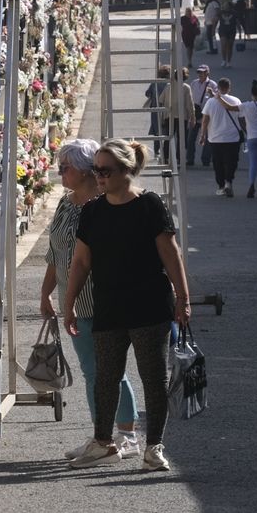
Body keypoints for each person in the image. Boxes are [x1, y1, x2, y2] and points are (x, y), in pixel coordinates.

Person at [65, 139, 192, 471]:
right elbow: (81, 262)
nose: (99, 176)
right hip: (109, 305)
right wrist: (69, 302)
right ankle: (103, 443)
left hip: (150, 305)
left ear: (127, 170)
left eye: (105, 171)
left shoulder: (149, 205)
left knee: (153, 378)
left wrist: (183, 298)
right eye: (96, 170)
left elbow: (171, 254)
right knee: (106, 377)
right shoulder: (92, 211)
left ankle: (153, 447)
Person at [40, 139, 140, 460]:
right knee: (92, 370)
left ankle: (125, 435)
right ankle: (103, 436)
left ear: (85, 171)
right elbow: (56, 253)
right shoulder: (65, 203)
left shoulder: (105, 204)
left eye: (65, 167)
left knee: (110, 370)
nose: (60, 173)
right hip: (74, 300)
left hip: (104, 297)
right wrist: (45, 292)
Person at [198, 77, 244, 197]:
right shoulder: (236, 100)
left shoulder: (210, 102)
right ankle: (229, 181)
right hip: (233, 138)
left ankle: (221, 186)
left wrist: (202, 135)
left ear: (218, 87)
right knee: (231, 161)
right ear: (229, 88)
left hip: (215, 138)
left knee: (218, 163)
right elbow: (241, 119)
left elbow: (205, 120)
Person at [187, 65, 217, 168]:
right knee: (191, 138)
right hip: (195, 115)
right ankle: (190, 159)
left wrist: (212, 93)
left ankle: (206, 160)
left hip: (207, 115)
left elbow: (218, 99)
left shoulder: (213, 84)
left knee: (208, 139)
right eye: (199, 72)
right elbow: (189, 97)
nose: (200, 74)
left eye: (202, 72)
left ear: (207, 73)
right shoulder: (194, 83)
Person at [166, 69, 196, 168]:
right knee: (181, 138)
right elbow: (189, 104)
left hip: (169, 116)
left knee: (169, 137)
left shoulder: (169, 86)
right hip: (182, 117)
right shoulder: (186, 87)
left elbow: (162, 99)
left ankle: (166, 157)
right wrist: (192, 117)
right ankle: (179, 158)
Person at [217, 4, 239, 68]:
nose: (226, 8)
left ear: (230, 7)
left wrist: (240, 32)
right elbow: (215, 20)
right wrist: (213, 30)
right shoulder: (220, 13)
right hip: (222, 30)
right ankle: (224, 60)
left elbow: (237, 22)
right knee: (223, 45)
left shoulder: (234, 13)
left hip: (232, 31)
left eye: (227, 6)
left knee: (230, 46)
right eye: (225, 6)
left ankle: (229, 61)